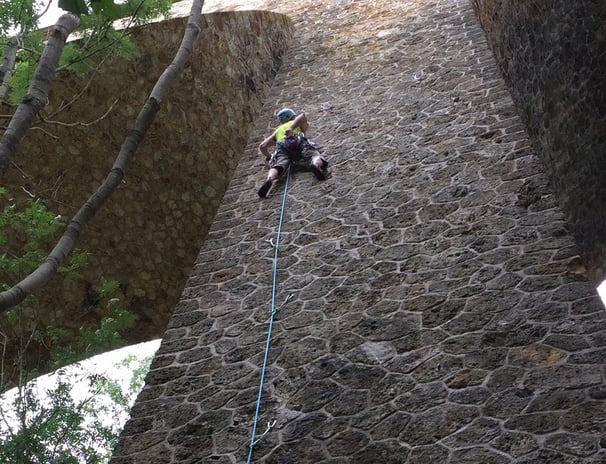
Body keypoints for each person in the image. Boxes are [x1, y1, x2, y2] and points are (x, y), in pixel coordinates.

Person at [257, 108, 329, 198]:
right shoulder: (295, 122)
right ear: (292, 116)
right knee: (313, 155)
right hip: (298, 140)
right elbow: (303, 116)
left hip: (282, 147)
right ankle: (315, 165)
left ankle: (270, 179)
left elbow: (262, 146)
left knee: (278, 165)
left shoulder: (277, 131)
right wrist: (291, 128)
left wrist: (269, 156)